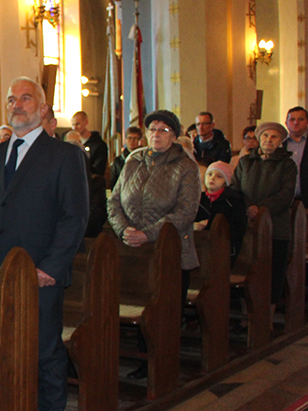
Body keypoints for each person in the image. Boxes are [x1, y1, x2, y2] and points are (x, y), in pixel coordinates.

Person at [0, 78, 89, 411]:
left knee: (44, 351)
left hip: (41, 273)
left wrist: (51, 267)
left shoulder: (64, 155)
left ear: (42, 109)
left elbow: (74, 217)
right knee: (3, 350)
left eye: (25, 98)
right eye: (11, 99)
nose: (17, 104)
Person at [108, 110, 200, 378]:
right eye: (152, 129)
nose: (156, 134)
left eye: (163, 130)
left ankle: (163, 366)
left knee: (164, 312)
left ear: (174, 136)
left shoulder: (185, 166)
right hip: (133, 250)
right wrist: (124, 230)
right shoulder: (134, 160)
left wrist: (147, 234)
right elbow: (114, 201)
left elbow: (185, 212)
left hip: (170, 251)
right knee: (140, 302)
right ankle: (143, 362)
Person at [231, 121, 297, 307]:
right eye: (265, 136)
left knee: (273, 274)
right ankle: (247, 314)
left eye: (274, 137)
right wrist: (248, 207)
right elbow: (235, 189)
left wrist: (260, 209)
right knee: (245, 270)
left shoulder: (287, 165)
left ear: (281, 141)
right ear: (259, 139)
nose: (269, 140)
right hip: (247, 225)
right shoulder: (245, 162)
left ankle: (268, 314)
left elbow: (286, 195)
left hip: (275, 226)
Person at [194, 161, 247, 264]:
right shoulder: (197, 199)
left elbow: (237, 227)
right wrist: (193, 225)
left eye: (219, 176)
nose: (212, 178)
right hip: (199, 247)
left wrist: (210, 224)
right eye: (209, 174)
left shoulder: (233, 202)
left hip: (222, 249)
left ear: (226, 182)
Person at [70, 111, 108, 176]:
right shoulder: (72, 144)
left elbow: (99, 170)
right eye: (73, 125)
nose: (75, 128)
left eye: (77, 124)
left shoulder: (99, 145)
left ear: (86, 122)